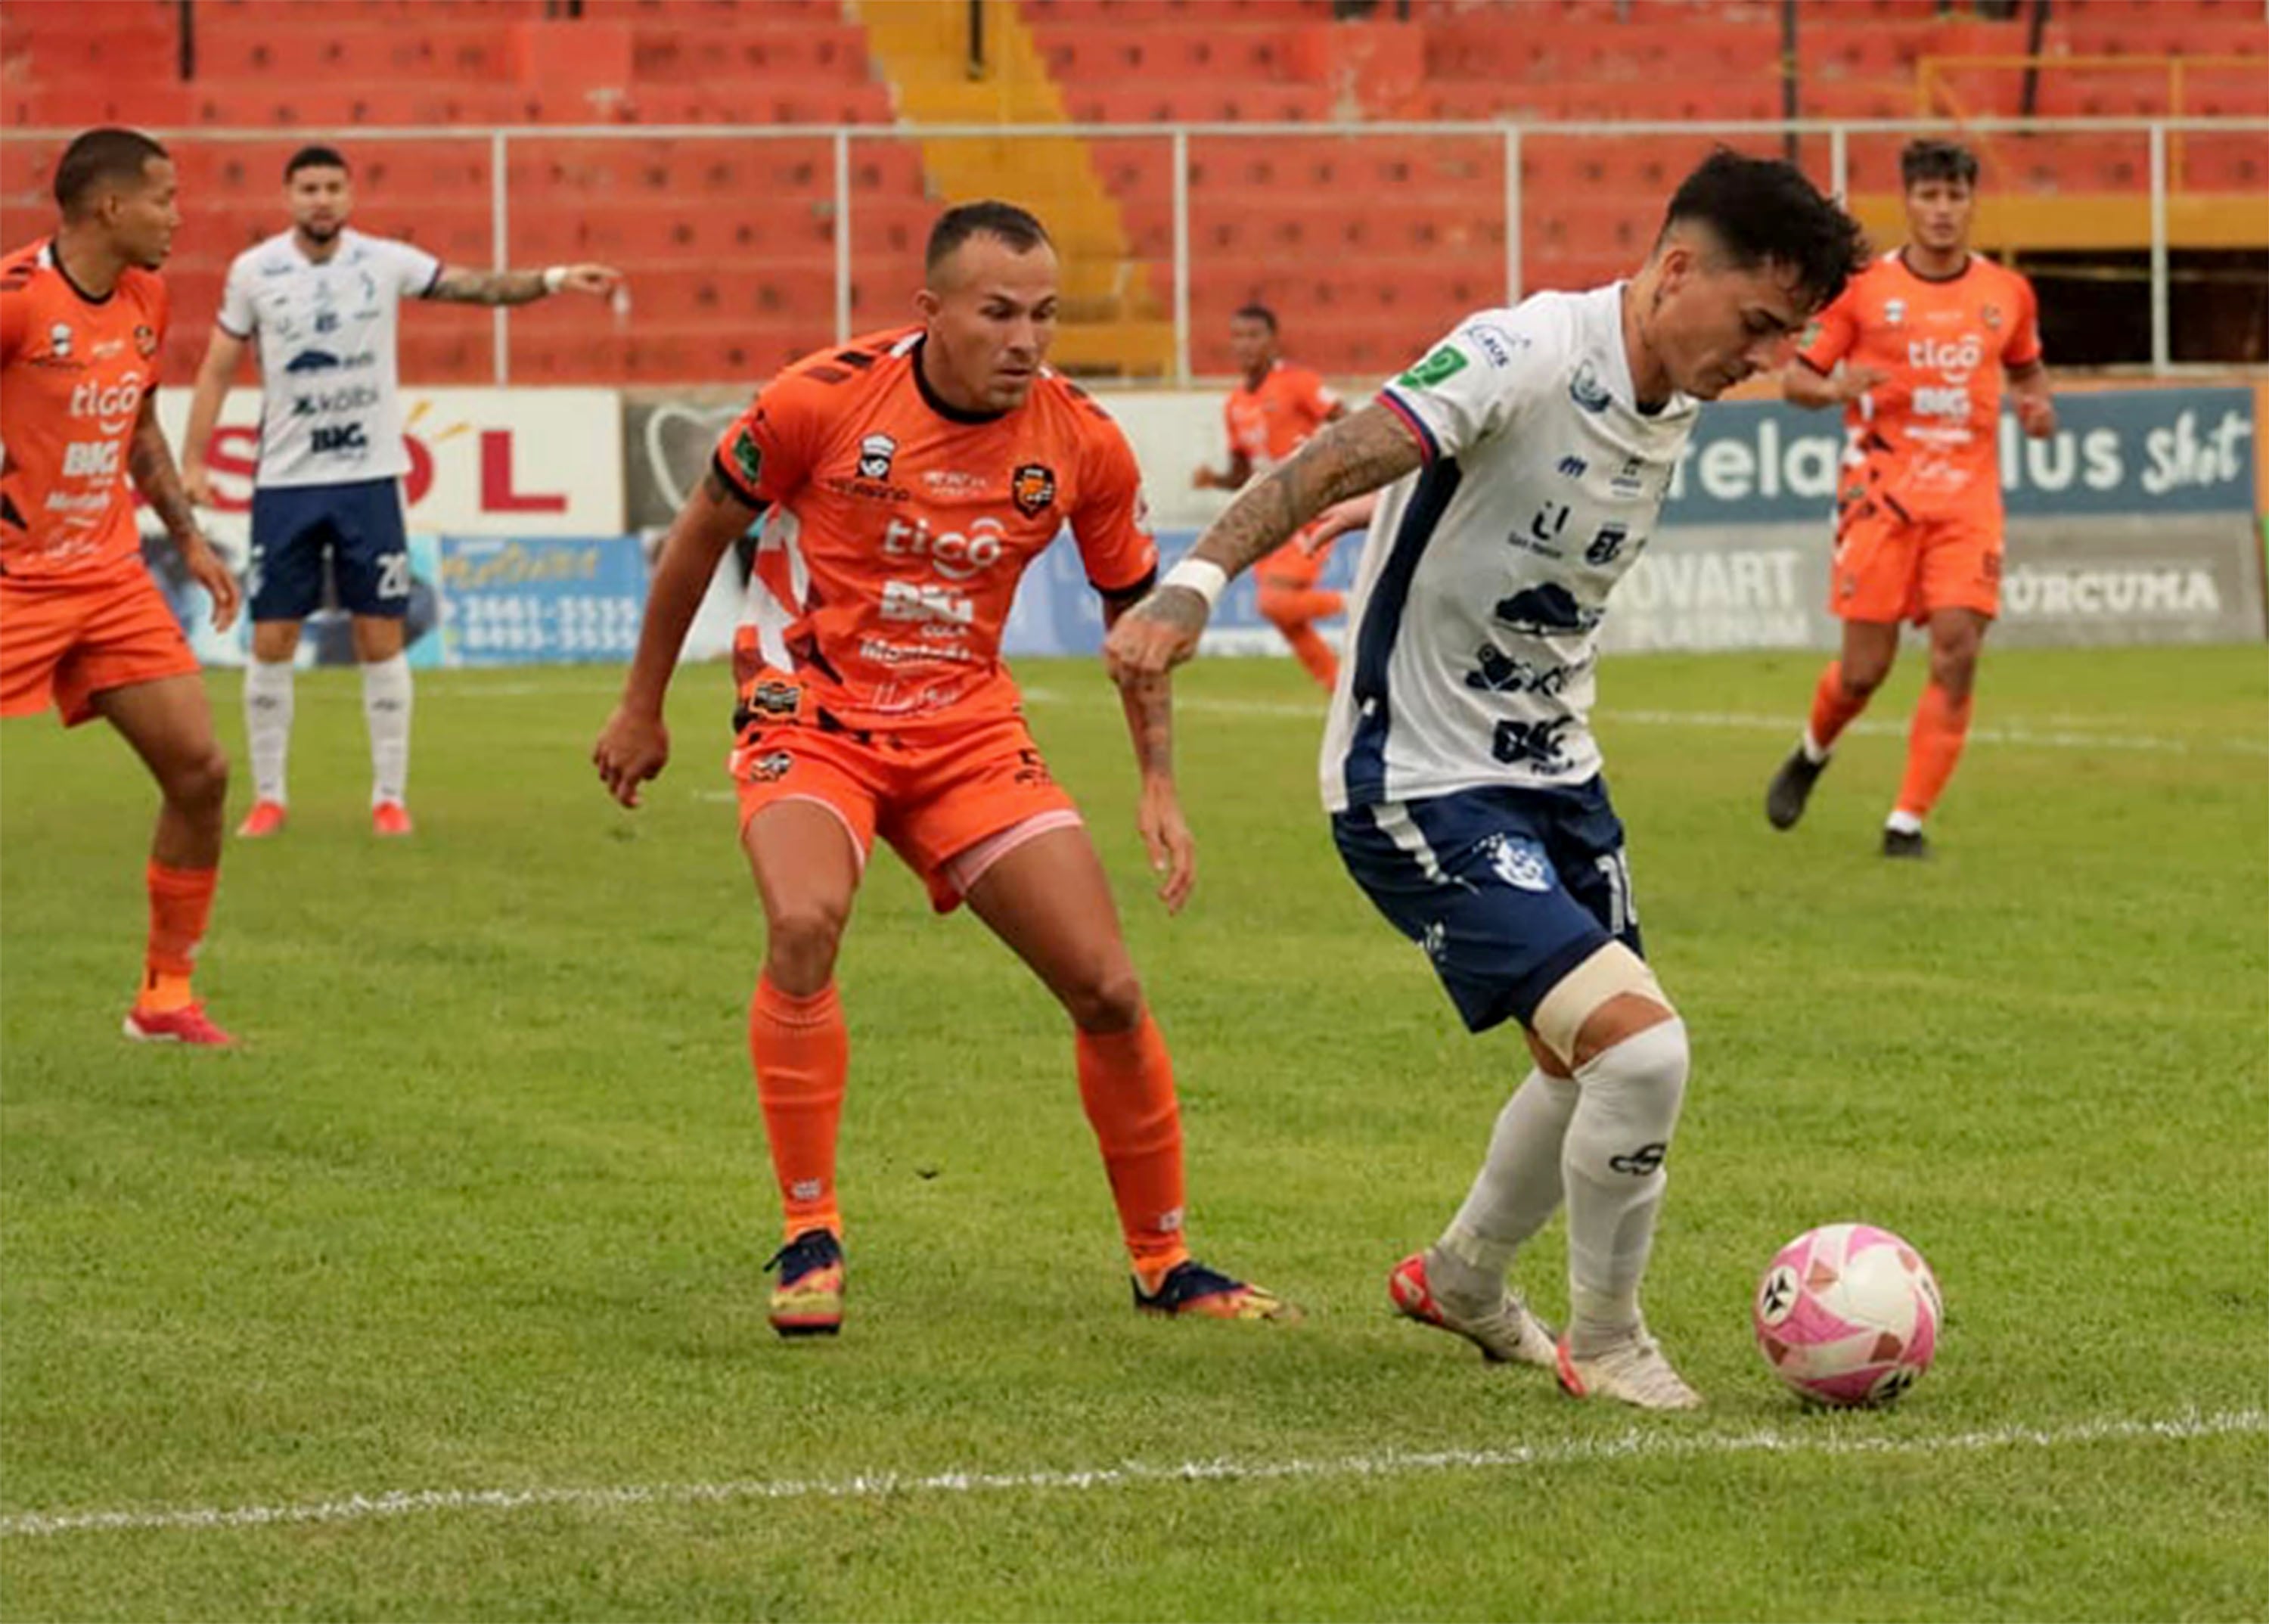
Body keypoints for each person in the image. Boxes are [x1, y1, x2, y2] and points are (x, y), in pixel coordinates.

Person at [1107, 152, 1866, 1408]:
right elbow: (1340, 451)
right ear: (1677, 269)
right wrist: (1194, 584)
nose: (1767, 360)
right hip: (1419, 777)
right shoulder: (1526, 348)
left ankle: (1462, 1274)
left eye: (1786, 335)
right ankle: (1607, 1340)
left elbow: (1497, 484)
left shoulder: (1673, 384)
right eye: (1758, 324)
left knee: (1580, 1063)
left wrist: (1411, 509)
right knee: (1643, 1052)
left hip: (1559, 773)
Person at [591, 200, 1290, 1337]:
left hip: (965, 730)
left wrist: (1158, 781)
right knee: (805, 922)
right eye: (999, 313)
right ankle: (810, 1232)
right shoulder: (820, 399)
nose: (1027, 340)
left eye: (1046, 315)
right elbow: (700, 531)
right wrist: (641, 706)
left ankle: (1164, 1259)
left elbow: (1136, 622)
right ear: (932, 311)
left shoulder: (1082, 440)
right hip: (811, 711)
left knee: (1108, 987)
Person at [179, 144, 620, 838]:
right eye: (308, 188)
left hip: (369, 479)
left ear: (349, 194)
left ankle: (389, 796)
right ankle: (269, 797)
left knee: (379, 633)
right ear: (288, 197)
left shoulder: (383, 262)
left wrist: (555, 277)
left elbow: (475, 288)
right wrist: (193, 459)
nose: (321, 199)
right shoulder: (254, 271)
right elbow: (216, 367)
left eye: (332, 187)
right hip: (287, 482)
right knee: (272, 636)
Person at [2, 128, 243, 1045]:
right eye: (164, 198)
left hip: (107, 578)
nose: (178, 216)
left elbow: (138, 427)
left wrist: (187, 539)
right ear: (110, 206)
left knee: (199, 771)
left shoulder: (146, 295)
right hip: (15, 582)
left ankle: (165, 996)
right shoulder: (17, 301)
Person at [1765, 138, 2056, 858]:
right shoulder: (1864, 289)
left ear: (1972, 203)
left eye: (1955, 196)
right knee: (1863, 670)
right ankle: (1813, 749)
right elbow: (1797, 379)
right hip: (1880, 500)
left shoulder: (2007, 294)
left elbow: (2027, 370)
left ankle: (1906, 822)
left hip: (1967, 505)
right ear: (1909, 203)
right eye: (1930, 196)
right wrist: (1837, 387)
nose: (1943, 210)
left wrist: (2037, 406)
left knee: (1957, 653)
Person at [1191, 306, 1346, 687]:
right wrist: (1215, 479)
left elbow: (1347, 420)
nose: (1244, 344)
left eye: (1254, 335)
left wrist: (1323, 460)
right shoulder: (1235, 404)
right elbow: (1243, 473)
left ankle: (1356, 602)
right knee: (1284, 617)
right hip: (1269, 513)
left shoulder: (1298, 383)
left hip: (1306, 508)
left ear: (1274, 341)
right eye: (1238, 336)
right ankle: (1340, 690)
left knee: (1274, 603)